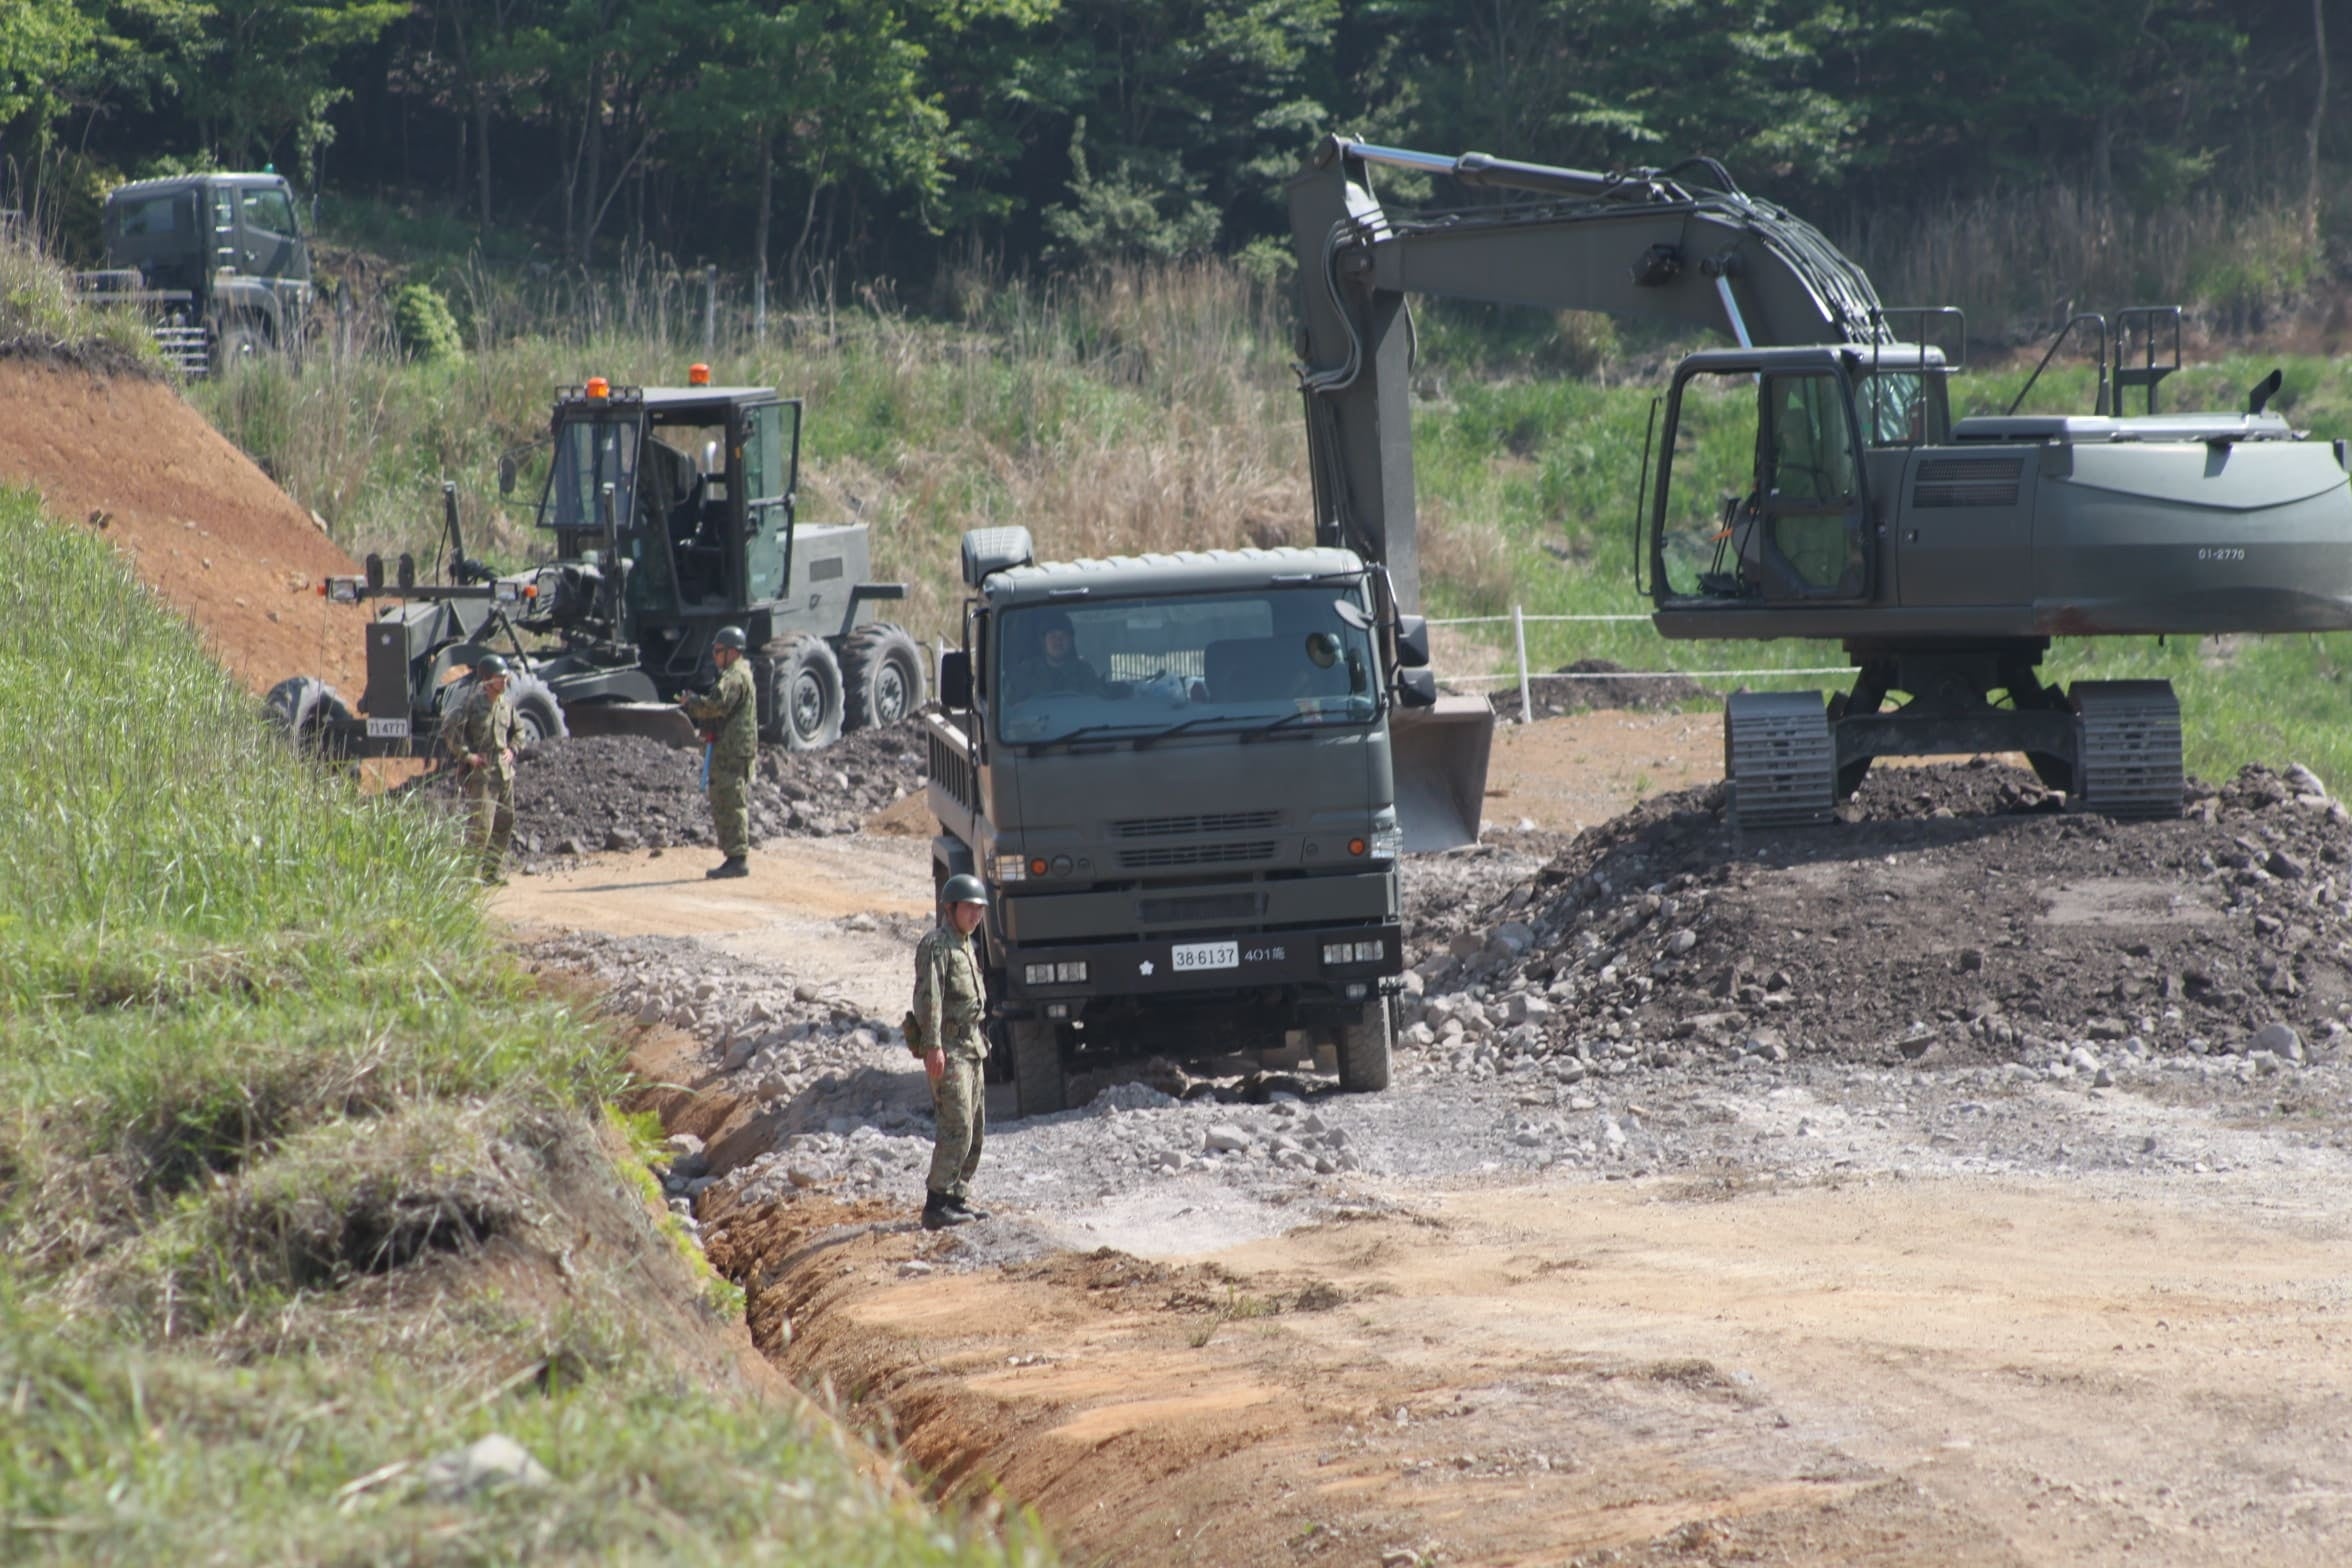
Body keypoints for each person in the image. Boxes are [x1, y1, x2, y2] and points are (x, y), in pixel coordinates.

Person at [909, 873, 992, 1230]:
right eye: (969, 908)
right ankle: (937, 1203)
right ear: (950, 908)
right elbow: (931, 998)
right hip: (950, 1047)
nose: (975, 916)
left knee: (974, 1127)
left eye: (979, 909)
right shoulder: (938, 946)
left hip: (971, 1047)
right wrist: (933, 1046)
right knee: (955, 1124)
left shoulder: (965, 945)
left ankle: (956, 1195)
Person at [679, 625, 757, 878]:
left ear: (733, 652)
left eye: (719, 651)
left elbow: (717, 705)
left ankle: (737, 859)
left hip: (732, 751)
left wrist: (692, 704)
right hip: (730, 748)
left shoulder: (734, 676)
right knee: (725, 798)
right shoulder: (737, 673)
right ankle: (733, 856)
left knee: (731, 801)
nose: (715, 656)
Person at [442, 653, 518, 883]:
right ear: (487, 679)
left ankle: (491, 872)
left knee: (505, 821)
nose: (504, 682)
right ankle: (468, 877)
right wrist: (467, 756)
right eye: (499, 678)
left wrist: (512, 749)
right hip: (482, 775)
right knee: (481, 826)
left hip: (504, 773)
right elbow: (450, 729)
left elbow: (519, 730)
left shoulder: (506, 706)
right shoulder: (472, 705)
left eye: (506, 678)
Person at [1007, 609, 1104, 702]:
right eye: (1053, 636)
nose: (1058, 641)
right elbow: (1013, 707)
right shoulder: (1026, 672)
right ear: (1043, 641)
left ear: (1071, 641)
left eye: (1063, 636)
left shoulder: (1084, 672)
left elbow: (1094, 703)